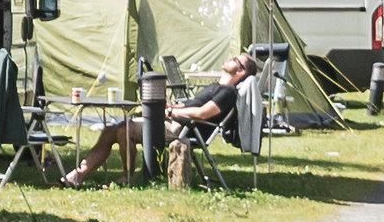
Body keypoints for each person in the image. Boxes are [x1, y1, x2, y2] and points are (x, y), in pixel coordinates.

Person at [64, 53, 258, 185]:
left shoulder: (227, 92)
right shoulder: (215, 86)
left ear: (240, 72)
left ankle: (127, 177)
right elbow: (191, 105)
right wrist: (169, 106)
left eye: (236, 59)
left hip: (181, 129)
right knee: (110, 130)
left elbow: (202, 114)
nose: (230, 58)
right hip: (174, 120)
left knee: (124, 129)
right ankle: (78, 175)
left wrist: (171, 113)